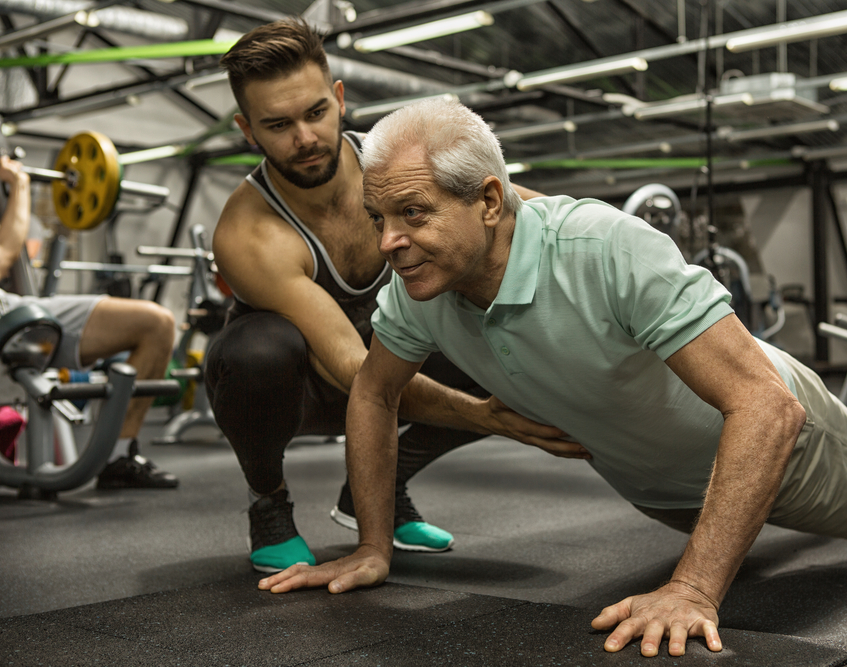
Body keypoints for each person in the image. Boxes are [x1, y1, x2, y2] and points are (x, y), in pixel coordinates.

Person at [257, 98, 847, 658]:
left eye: (413, 213)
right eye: (380, 218)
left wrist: (694, 588)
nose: (387, 243)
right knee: (734, 514)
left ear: (490, 202)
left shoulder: (604, 247)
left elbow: (766, 407)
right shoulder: (419, 291)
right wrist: (374, 546)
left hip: (775, 430)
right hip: (661, 481)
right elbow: (374, 392)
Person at [205, 19, 582, 575]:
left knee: (505, 326)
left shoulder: (401, 165)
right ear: (247, 129)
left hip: (388, 360)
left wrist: (622, 247)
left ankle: (375, 489)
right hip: (305, 384)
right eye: (278, 125)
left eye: (314, 113)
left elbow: (529, 214)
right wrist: (484, 417)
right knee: (256, 354)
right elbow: (354, 370)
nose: (304, 138)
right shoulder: (247, 232)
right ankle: (270, 504)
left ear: (338, 98)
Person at [0, 154, 178, 488]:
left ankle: (119, 457)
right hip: (9, 322)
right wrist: (19, 183)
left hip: (11, 309)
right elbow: (5, 253)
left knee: (156, 323)